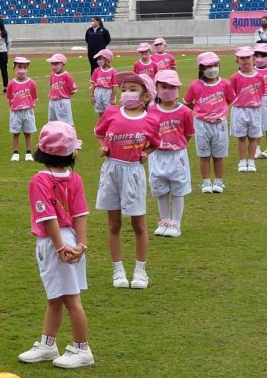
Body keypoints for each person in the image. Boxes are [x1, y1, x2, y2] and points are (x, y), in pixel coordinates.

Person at [18, 121, 93, 369]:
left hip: (55, 242)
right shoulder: (75, 178)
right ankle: (48, 345)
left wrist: (62, 248)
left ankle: (82, 349)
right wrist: (81, 245)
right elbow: (80, 214)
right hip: (70, 240)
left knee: (71, 300)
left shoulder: (39, 181)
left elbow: (48, 218)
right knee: (55, 297)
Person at [94, 72, 159, 290]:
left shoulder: (151, 119)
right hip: (112, 169)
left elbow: (154, 143)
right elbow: (100, 133)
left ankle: (140, 270)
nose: (127, 94)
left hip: (133, 172)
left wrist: (146, 153)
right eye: (124, 90)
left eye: (133, 89)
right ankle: (118, 269)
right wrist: (103, 147)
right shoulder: (112, 112)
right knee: (114, 223)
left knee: (138, 223)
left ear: (145, 97)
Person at [149, 70, 194, 238]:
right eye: (164, 86)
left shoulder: (185, 112)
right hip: (157, 154)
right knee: (160, 189)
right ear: (157, 89)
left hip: (177, 155)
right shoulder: (152, 111)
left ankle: (176, 223)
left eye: (172, 87)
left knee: (178, 189)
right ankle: (164, 220)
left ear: (178, 89)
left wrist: (178, 145)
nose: (168, 90)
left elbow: (189, 133)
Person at [183, 52, 235, 194]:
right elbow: (187, 102)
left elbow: (230, 100)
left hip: (220, 124)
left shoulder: (225, 83)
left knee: (219, 155)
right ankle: (206, 182)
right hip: (201, 124)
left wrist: (220, 111)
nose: (212, 68)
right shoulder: (195, 85)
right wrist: (199, 111)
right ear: (201, 68)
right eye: (208, 66)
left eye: (214, 65)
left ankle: (219, 181)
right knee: (204, 155)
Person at [230, 47, 263, 173]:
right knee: (241, 137)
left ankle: (251, 161)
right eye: (242, 58)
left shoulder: (259, 77)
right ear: (237, 61)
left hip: (255, 110)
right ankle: (242, 161)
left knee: (254, 137)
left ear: (253, 58)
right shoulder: (235, 77)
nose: (245, 61)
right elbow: (232, 94)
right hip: (240, 110)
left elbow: (261, 93)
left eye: (248, 57)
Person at [8, 57, 38, 161]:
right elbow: (9, 98)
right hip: (15, 111)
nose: (22, 70)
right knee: (15, 132)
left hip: (28, 110)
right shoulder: (11, 83)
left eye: (24, 67)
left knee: (28, 132)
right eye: (19, 67)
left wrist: (30, 105)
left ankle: (28, 152)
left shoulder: (31, 83)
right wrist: (11, 109)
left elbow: (34, 97)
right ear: (14, 68)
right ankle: (15, 153)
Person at [46, 53, 77, 125]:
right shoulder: (52, 74)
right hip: (52, 100)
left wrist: (63, 95)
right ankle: (55, 136)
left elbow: (73, 90)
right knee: (52, 122)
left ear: (63, 64)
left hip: (62, 101)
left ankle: (72, 136)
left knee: (66, 123)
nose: (53, 66)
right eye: (52, 64)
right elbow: (51, 86)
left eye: (56, 64)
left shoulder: (67, 76)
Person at [90, 49, 116, 115]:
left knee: (109, 111)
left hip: (108, 92)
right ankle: (101, 124)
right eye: (98, 59)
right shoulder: (96, 70)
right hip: (98, 92)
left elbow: (114, 87)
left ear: (107, 59)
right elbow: (93, 84)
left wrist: (112, 98)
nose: (98, 61)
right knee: (100, 111)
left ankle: (109, 124)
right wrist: (92, 96)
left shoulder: (113, 71)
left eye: (100, 59)